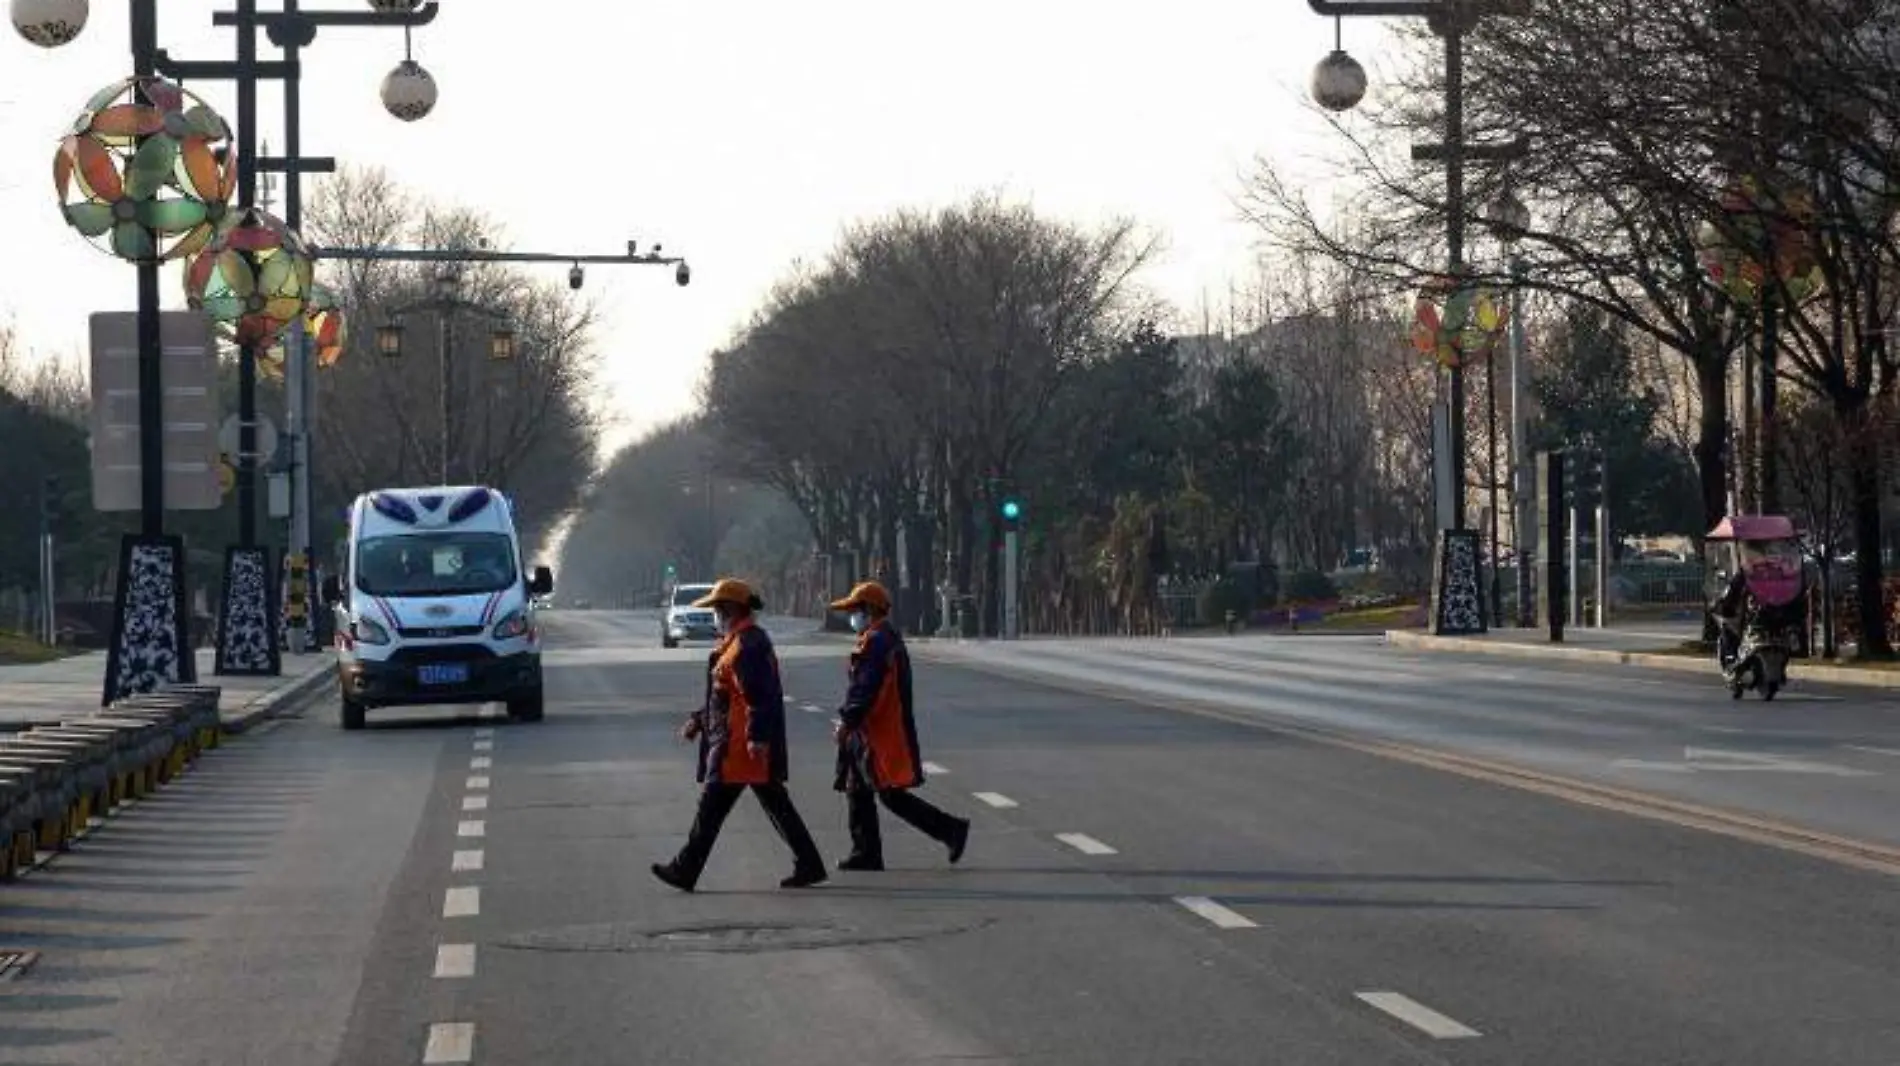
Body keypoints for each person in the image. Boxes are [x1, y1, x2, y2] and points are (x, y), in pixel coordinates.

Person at [651, 578, 828, 892]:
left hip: (739, 746)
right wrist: (700, 720)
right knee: (777, 806)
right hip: (736, 742)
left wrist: (756, 737)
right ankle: (809, 864)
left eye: (718, 608)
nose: (715, 615)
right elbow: (725, 698)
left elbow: (758, 696)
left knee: (711, 809)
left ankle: (685, 869)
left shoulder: (747, 646)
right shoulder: (736, 643)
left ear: (732, 609)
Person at [829, 581, 970, 871]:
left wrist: (848, 719)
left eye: (855, 610)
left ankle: (950, 829)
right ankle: (866, 852)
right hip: (869, 729)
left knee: (888, 793)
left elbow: (866, 688)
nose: (851, 617)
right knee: (857, 788)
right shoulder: (879, 637)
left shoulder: (877, 641)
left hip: (878, 729)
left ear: (869, 610)